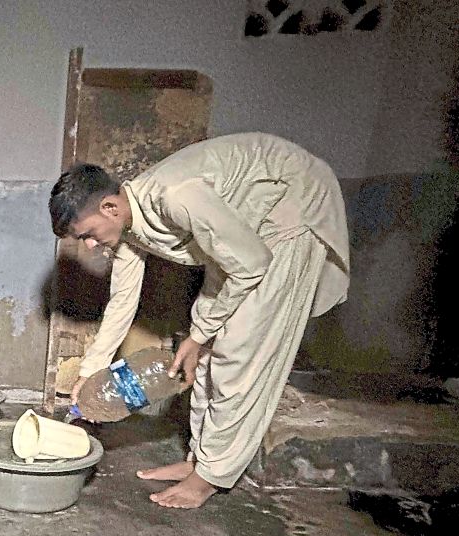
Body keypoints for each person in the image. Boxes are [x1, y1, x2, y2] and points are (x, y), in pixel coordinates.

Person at [50, 133, 349, 509]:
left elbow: (252, 263)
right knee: (200, 356)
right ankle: (199, 460)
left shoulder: (176, 197)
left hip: (289, 213)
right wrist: (91, 370)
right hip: (244, 234)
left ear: (110, 207)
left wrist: (202, 332)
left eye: (88, 235)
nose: (90, 246)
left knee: (240, 352)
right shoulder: (127, 223)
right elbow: (123, 300)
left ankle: (210, 478)